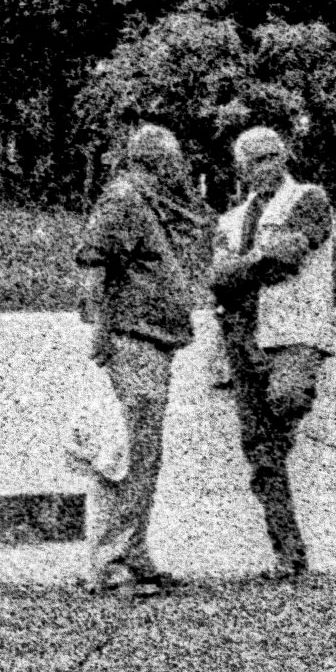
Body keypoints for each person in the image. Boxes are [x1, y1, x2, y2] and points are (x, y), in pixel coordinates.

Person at [74, 124, 209, 596]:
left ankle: (134, 553)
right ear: (157, 161)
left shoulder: (145, 202)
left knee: (145, 454)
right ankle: (111, 562)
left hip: (151, 341)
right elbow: (95, 265)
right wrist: (102, 332)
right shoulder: (124, 200)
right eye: (173, 160)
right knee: (127, 456)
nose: (179, 169)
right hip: (132, 340)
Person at [210, 126, 335, 580]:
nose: (264, 167)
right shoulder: (229, 219)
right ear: (241, 169)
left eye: (270, 157)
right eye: (253, 161)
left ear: (284, 157)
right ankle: (288, 553)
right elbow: (217, 279)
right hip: (241, 338)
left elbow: (291, 256)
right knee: (260, 455)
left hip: (293, 332)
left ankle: (276, 444)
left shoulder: (309, 198)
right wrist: (258, 261)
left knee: (287, 399)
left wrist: (241, 267)